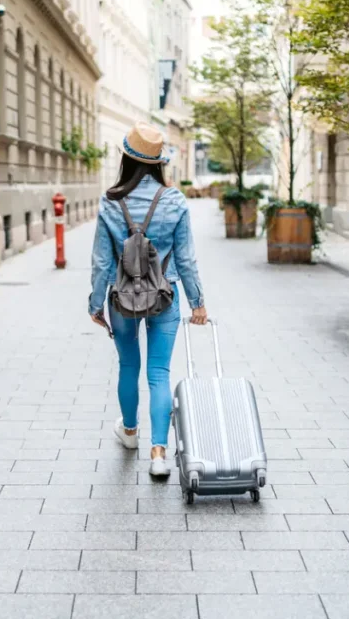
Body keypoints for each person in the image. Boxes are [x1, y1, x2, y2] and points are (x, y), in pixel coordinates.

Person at [89, 122, 207, 477]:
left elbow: (101, 261)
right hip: (165, 297)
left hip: (121, 298)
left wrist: (96, 304)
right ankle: (159, 453)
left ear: (125, 158)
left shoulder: (111, 201)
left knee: (128, 366)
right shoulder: (174, 200)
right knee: (159, 373)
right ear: (159, 162)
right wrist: (198, 302)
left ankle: (129, 433)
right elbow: (186, 258)